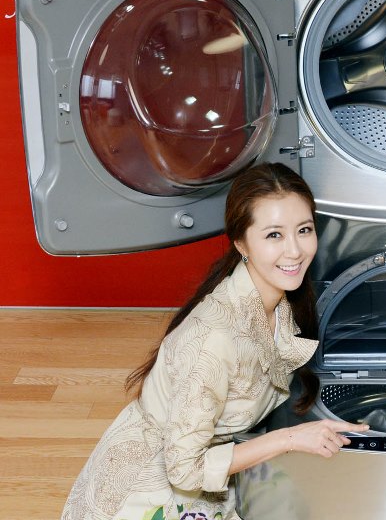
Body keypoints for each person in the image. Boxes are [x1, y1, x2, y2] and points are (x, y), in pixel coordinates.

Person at [61, 162, 369, 520]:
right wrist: (290, 439)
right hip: (153, 489)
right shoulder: (214, 338)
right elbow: (184, 470)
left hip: (211, 466)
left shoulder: (279, 304)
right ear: (241, 242)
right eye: (274, 235)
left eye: (304, 230)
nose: (295, 251)